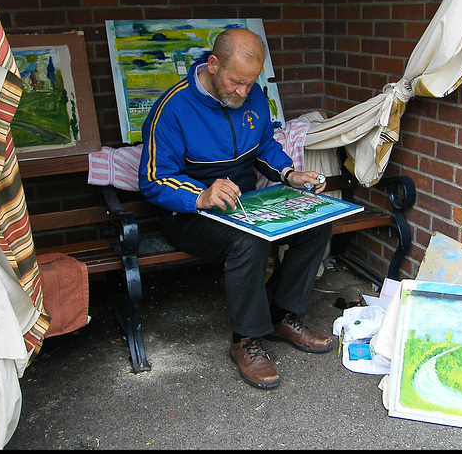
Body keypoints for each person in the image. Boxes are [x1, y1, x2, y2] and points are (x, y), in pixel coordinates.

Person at [138, 28, 333, 389]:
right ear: (213, 65)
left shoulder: (254, 96)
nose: (243, 92)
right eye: (235, 82)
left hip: (243, 204)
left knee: (317, 222)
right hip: (187, 212)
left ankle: (280, 315)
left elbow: (264, 147)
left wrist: (290, 174)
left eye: (250, 83)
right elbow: (153, 179)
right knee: (249, 240)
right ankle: (245, 340)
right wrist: (200, 195)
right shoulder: (173, 108)